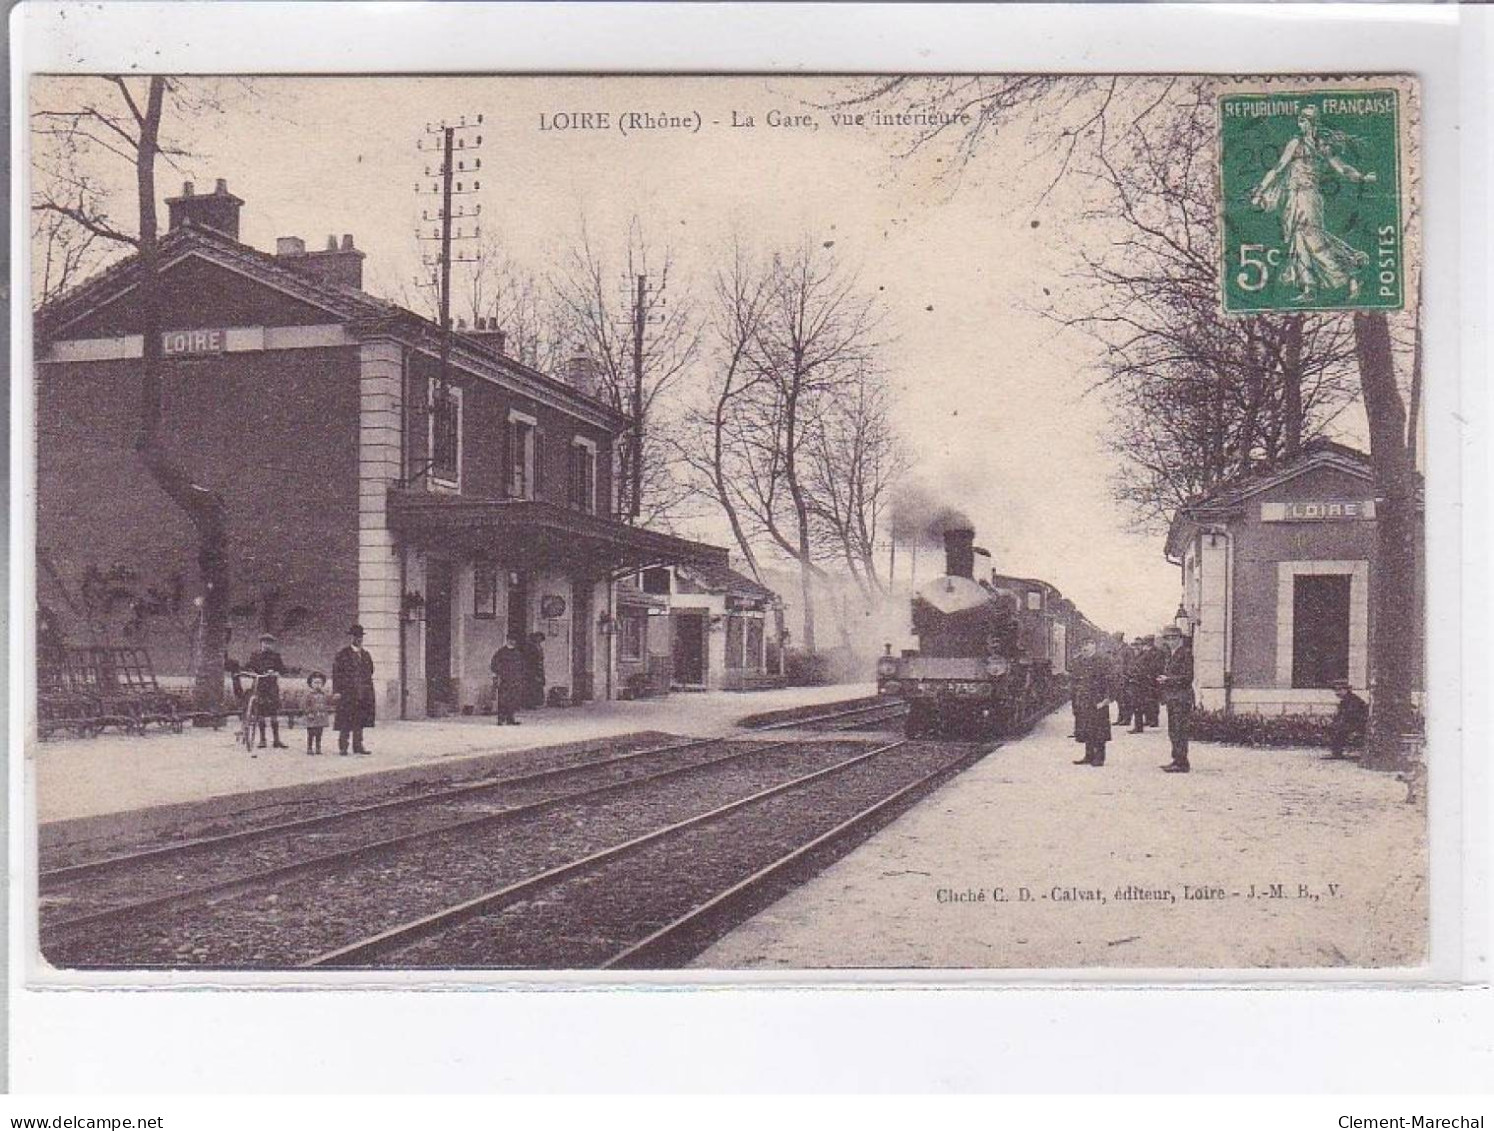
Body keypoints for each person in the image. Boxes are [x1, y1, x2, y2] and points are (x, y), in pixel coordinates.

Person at [1250, 105, 1378, 305]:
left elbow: (1342, 168)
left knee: (1312, 237)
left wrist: (1361, 177)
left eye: (1303, 120)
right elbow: (1278, 168)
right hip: (1293, 197)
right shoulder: (1295, 143)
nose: (1300, 124)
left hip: (1310, 197)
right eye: (1299, 120)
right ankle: (1309, 286)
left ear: (1312, 123)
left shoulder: (1321, 146)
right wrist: (1260, 188)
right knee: (1298, 238)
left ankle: (1350, 271)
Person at [332, 623, 376, 755]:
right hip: (347, 693)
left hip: (362, 693)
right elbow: (336, 674)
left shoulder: (366, 655)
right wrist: (337, 691)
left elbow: (371, 671)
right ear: (350, 638)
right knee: (345, 720)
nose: (358, 639)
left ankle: (358, 746)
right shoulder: (342, 654)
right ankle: (343, 747)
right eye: (355, 636)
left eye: (360, 637)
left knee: (360, 720)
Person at [1070, 640, 1113, 767]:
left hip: (1098, 700)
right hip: (1083, 700)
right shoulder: (1080, 661)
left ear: (1094, 645)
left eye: (1088, 644)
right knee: (1086, 727)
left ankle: (1099, 757)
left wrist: (1107, 699)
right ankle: (1088, 755)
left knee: (1099, 729)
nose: (1085, 647)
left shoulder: (1103, 660)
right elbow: (1075, 681)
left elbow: (1111, 680)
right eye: (1083, 645)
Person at [1158, 625, 1194, 773]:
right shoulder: (1171, 654)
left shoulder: (1185, 654)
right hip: (1173, 698)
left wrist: (1168, 679)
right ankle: (1176, 759)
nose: (1171, 641)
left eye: (1174, 638)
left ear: (1180, 639)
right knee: (1174, 730)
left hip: (1181, 698)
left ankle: (1182, 762)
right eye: (1168, 638)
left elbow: (1187, 678)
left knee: (1180, 730)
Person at [245, 632, 288, 750]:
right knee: (261, 712)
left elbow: (282, 669)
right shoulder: (255, 655)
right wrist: (252, 673)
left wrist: (275, 672)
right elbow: (248, 667)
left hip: (271, 686)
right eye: (264, 643)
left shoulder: (276, 656)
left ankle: (276, 739)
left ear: (272, 645)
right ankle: (262, 739)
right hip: (259, 685)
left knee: (274, 713)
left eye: (269, 643)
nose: (266, 645)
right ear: (261, 643)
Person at [491, 631, 527, 725]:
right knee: (503, 699)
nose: (513, 642)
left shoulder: (517, 653)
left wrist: (521, 676)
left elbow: (522, 666)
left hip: (516, 679)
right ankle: (501, 719)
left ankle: (510, 718)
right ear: (507, 640)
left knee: (513, 699)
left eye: (514, 640)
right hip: (505, 679)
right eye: (511, 640)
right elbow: (494, 664)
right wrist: (500, 672)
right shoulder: (501, 652)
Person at [1327, 679, 1368, 760]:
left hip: (1359, 724)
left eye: (1340, 690)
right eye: (1335, 690)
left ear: (1346, 690)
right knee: (1335, 728)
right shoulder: (1345, 701)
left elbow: (1352, 715)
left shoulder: (1354, 700)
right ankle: (1336, 752)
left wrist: (1339, 723)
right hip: (1351, 723)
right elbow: (1341, 715)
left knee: (1339, 729)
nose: (1337, 693)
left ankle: (1337, 752)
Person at [302, 671, 333, 755]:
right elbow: (304, 705)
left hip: (321, 717)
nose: (317, 685)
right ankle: (309, 747)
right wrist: (308, 712)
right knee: (311, 733)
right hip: (312, 717)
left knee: (319, 733)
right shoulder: (308, 694)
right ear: (311, 684)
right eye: (315, 683)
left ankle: (318, 747)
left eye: (320, 683)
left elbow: (328, 703)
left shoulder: (324, 694)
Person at [1136, 636, 1164, 729]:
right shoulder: (1146, 652)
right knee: (1147, 700)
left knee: (1153, 700)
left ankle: (1154, 720)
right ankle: (1149, 719)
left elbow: (1157, 666)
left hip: (1153, 680)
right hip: (1147, 679)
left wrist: (1150, 674)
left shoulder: (1157, 652)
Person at [524, 631, 547, 709]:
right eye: (538, 638)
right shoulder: (530, 647)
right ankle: (529, 703)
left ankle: (536, 703)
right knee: (532, 686)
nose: (539, 640)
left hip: (539, 668)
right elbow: (530, 659)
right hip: (532, 668)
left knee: (538, 685)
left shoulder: (539, 646)